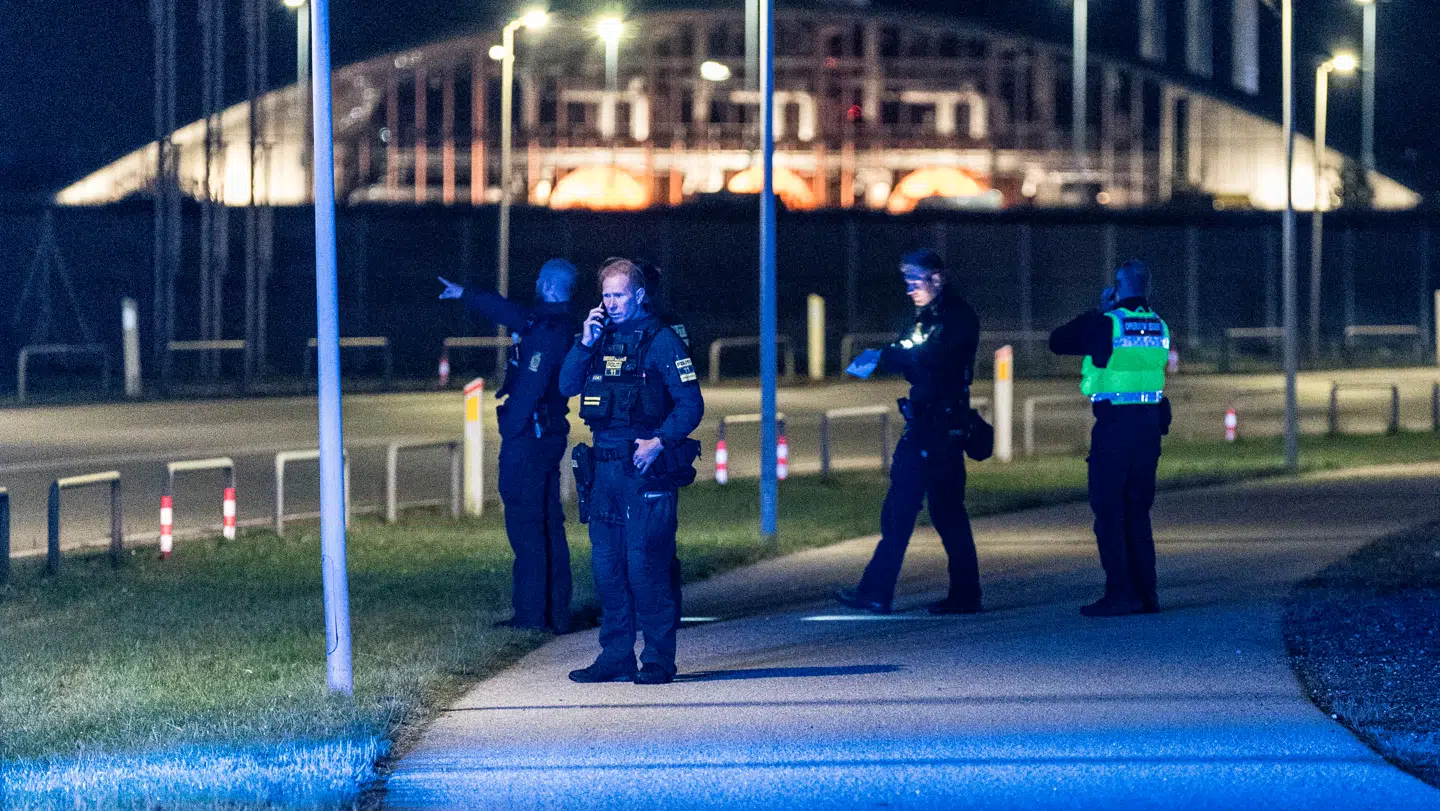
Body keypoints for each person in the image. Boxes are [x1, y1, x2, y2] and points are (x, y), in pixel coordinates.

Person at [560, 258, 704, 685]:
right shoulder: (599, 337)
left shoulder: (661, 340)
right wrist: (584, 343)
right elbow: (567, 386)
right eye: (605, 295)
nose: (611, 302)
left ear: (639, 295)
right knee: (607, 567)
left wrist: (659, 441)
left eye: (618, 294)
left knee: (646, 566)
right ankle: (616, 655)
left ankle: (658, 659)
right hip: (602, 471)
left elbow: (691, 404)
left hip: (644, 469)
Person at [835, 249, 984, 615]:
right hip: (927, 424)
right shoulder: (925, 317)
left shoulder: (957, 317)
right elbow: (905, 349)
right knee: (929, 511)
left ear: (937, 277)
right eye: (906, 282)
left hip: (940, 427)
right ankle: (957, 593)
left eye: (915, 281)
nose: (910, 289)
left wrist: (885, 358)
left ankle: (879, 592)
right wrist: (879, 356)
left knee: (917, 510)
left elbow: (929, 358)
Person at [438, 260, 580, 634]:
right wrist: (466, 293)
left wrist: (512, 430)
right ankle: (555, 613)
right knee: (548, 524)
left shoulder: (546, 332)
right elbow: (512, 313)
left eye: (538, 278)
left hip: (530, 441)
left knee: (526, 526)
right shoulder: (553, 322)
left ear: (549, 286)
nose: (533, 281)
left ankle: (533, 617)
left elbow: (529, 390)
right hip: (547, 438)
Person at [1049, 259, 1172, 617]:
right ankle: (1146, 594)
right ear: (1148, 287)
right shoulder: (1159, 324)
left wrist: (1101, 309)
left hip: (1115, 428)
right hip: (1149, 427)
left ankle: (1120, 593)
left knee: (1108, 513)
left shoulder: (1108, 323)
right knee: (1137, 513)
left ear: (1117, 287)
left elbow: (1058, 341)